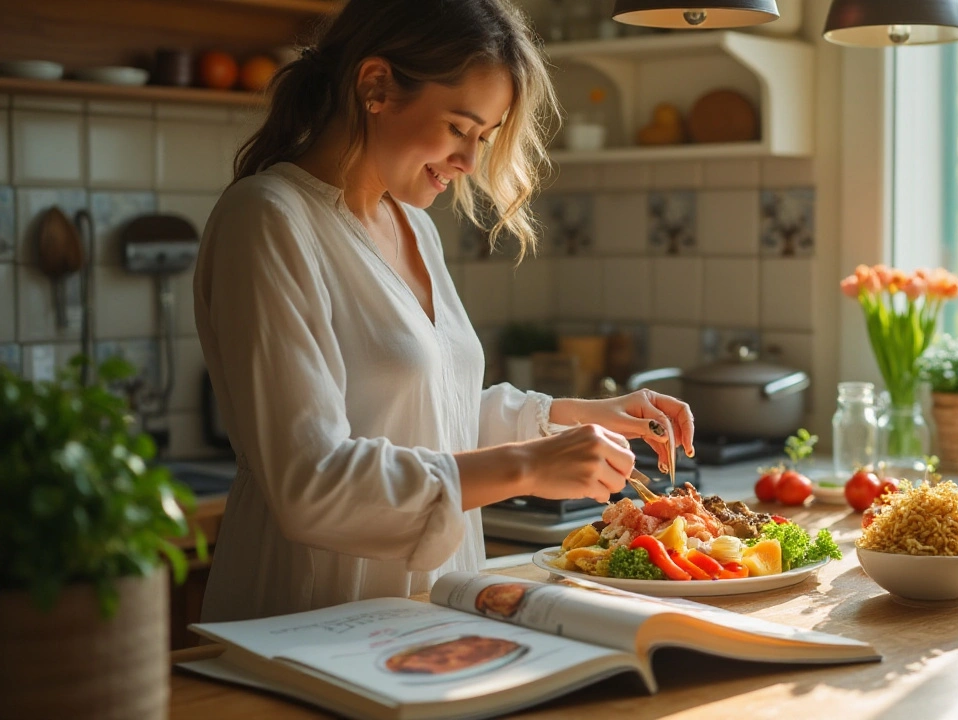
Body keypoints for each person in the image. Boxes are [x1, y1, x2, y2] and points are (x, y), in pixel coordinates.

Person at [193, 0, 693, 623]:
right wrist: (528, 466)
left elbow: (426, 413)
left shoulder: (413, 227)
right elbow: (309, 482)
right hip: (309, 609)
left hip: (432, 607)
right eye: (459, 127)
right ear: (376, 86)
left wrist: (569, 416)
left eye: (482, 137)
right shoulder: (268, 218)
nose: (469, 162)